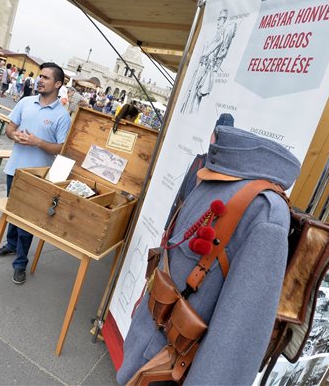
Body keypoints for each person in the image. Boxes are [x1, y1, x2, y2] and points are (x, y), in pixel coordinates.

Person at [117, 126, 301, 385]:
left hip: (169, 369)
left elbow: (236, 339)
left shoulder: (264, 210)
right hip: (147, 351)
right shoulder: (213, 178)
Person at [0, 62, 71, 285]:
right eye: (40, 76)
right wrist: (14, 135)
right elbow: (10, 127)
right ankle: (11, 245)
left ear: (57, 84)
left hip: (38, 177)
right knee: (13, 211)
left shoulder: (62, 116)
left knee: (27, 220)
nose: (40, 80)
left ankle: (20, 263)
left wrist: (38, 142)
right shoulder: (26, 102)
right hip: (14, 168)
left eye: (46, 77)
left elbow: (62, 149)